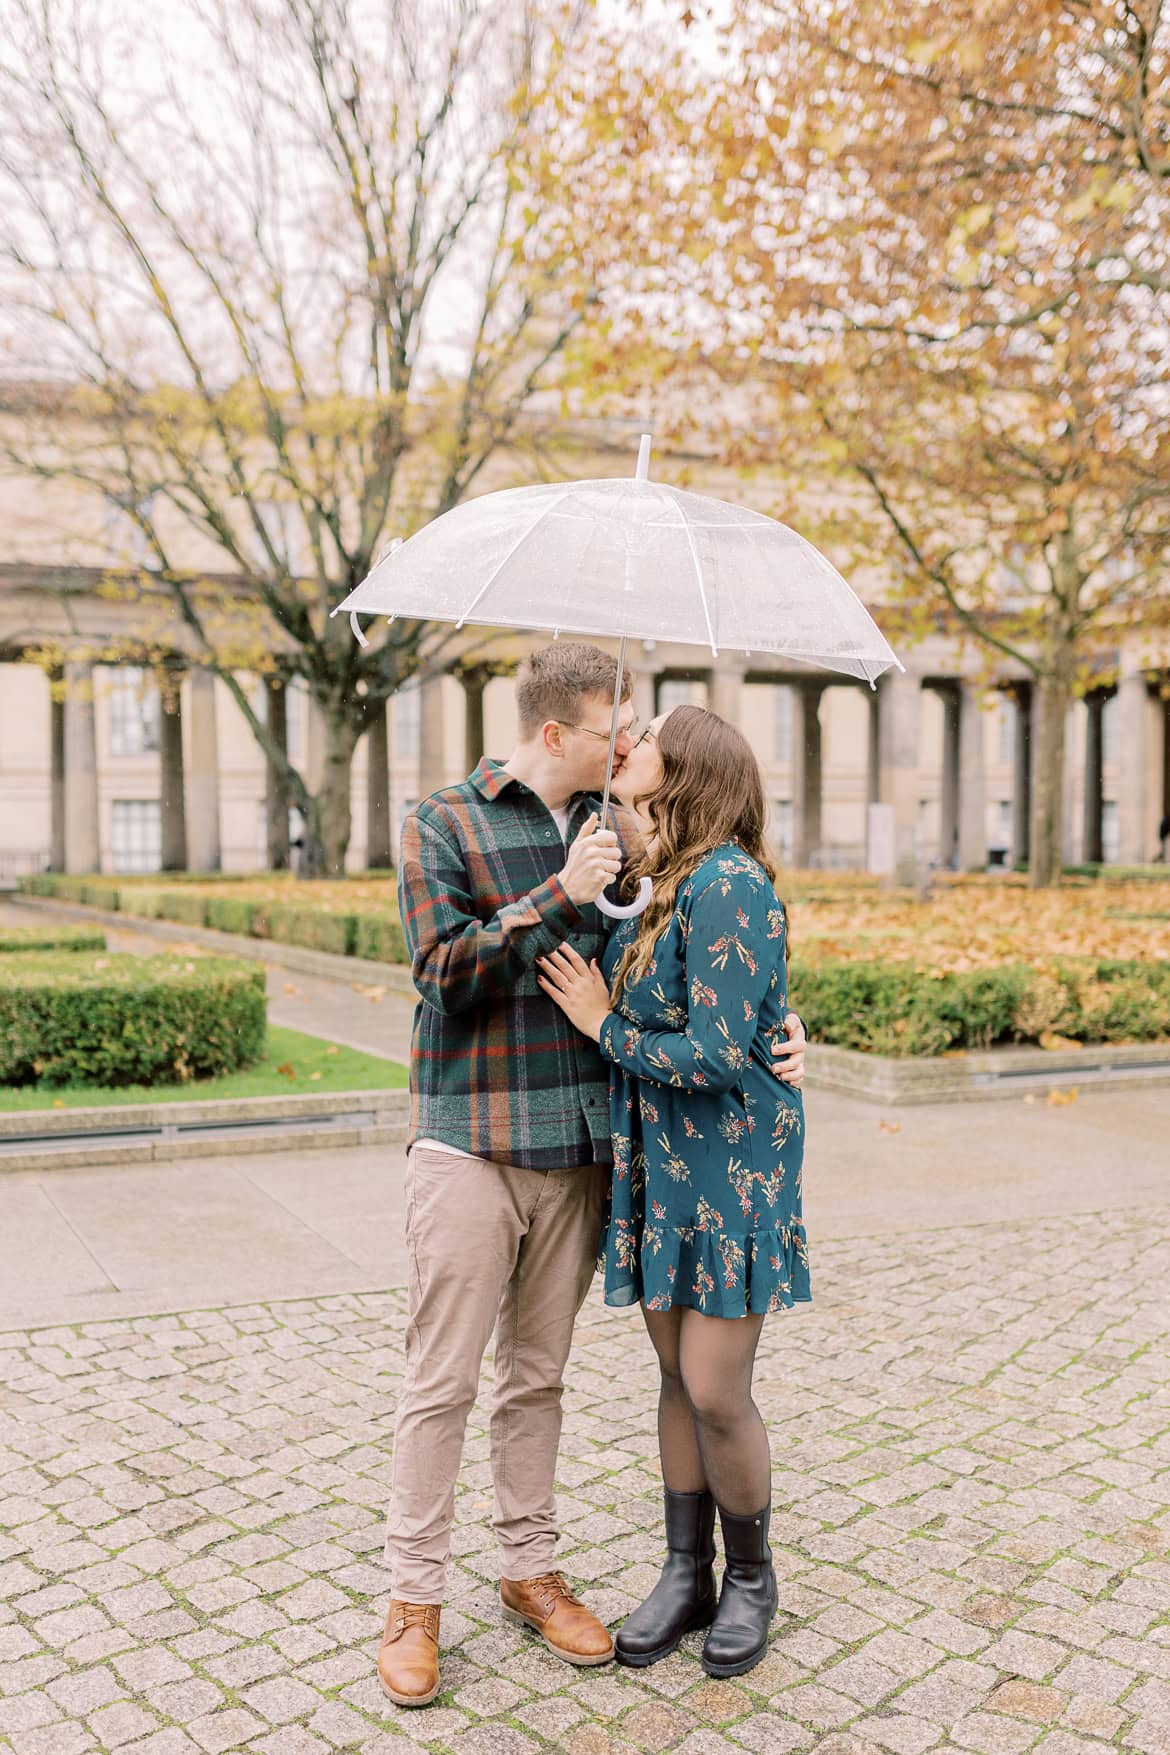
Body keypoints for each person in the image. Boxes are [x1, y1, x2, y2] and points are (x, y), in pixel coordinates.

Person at [378, 644, 808, 1708]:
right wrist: (548, 897)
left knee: (540, 1381)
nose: (631, 746)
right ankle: (412, 1603)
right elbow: (440, 978)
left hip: (587, 1155)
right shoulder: (445, 822)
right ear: (559, 733)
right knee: (442, 1383)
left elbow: (707, 977)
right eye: (619, 731)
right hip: (472, 1141)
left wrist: (783, 1032)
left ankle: (535, 1570)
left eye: (643, 739)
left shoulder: (631, 844)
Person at [538, 703, 809, 1681]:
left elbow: (715, 1051)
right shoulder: (657, 888)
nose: (628, 813)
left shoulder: (728, 883)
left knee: (713, 1387)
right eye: (623, 797)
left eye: (644, 797)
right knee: (670, 1379)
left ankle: (751, 1579)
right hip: (658, 1162)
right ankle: (685, 1570)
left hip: (730, 1162)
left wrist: (606, 1026)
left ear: (691, 792)